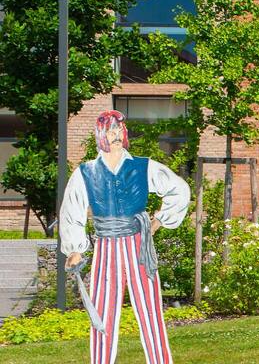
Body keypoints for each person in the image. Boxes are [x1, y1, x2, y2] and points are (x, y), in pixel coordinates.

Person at [58, 110, 192, 364]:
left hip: (139, 248)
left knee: (151, 313)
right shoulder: (86, 173)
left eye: (119, 130)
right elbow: (72, 210)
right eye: (110, 131)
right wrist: (75, 249)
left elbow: (179, 189)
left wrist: (158, 221)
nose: (116, 135)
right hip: (105, 250)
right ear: (101, 135)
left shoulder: (143, 166)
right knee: (103, 312)